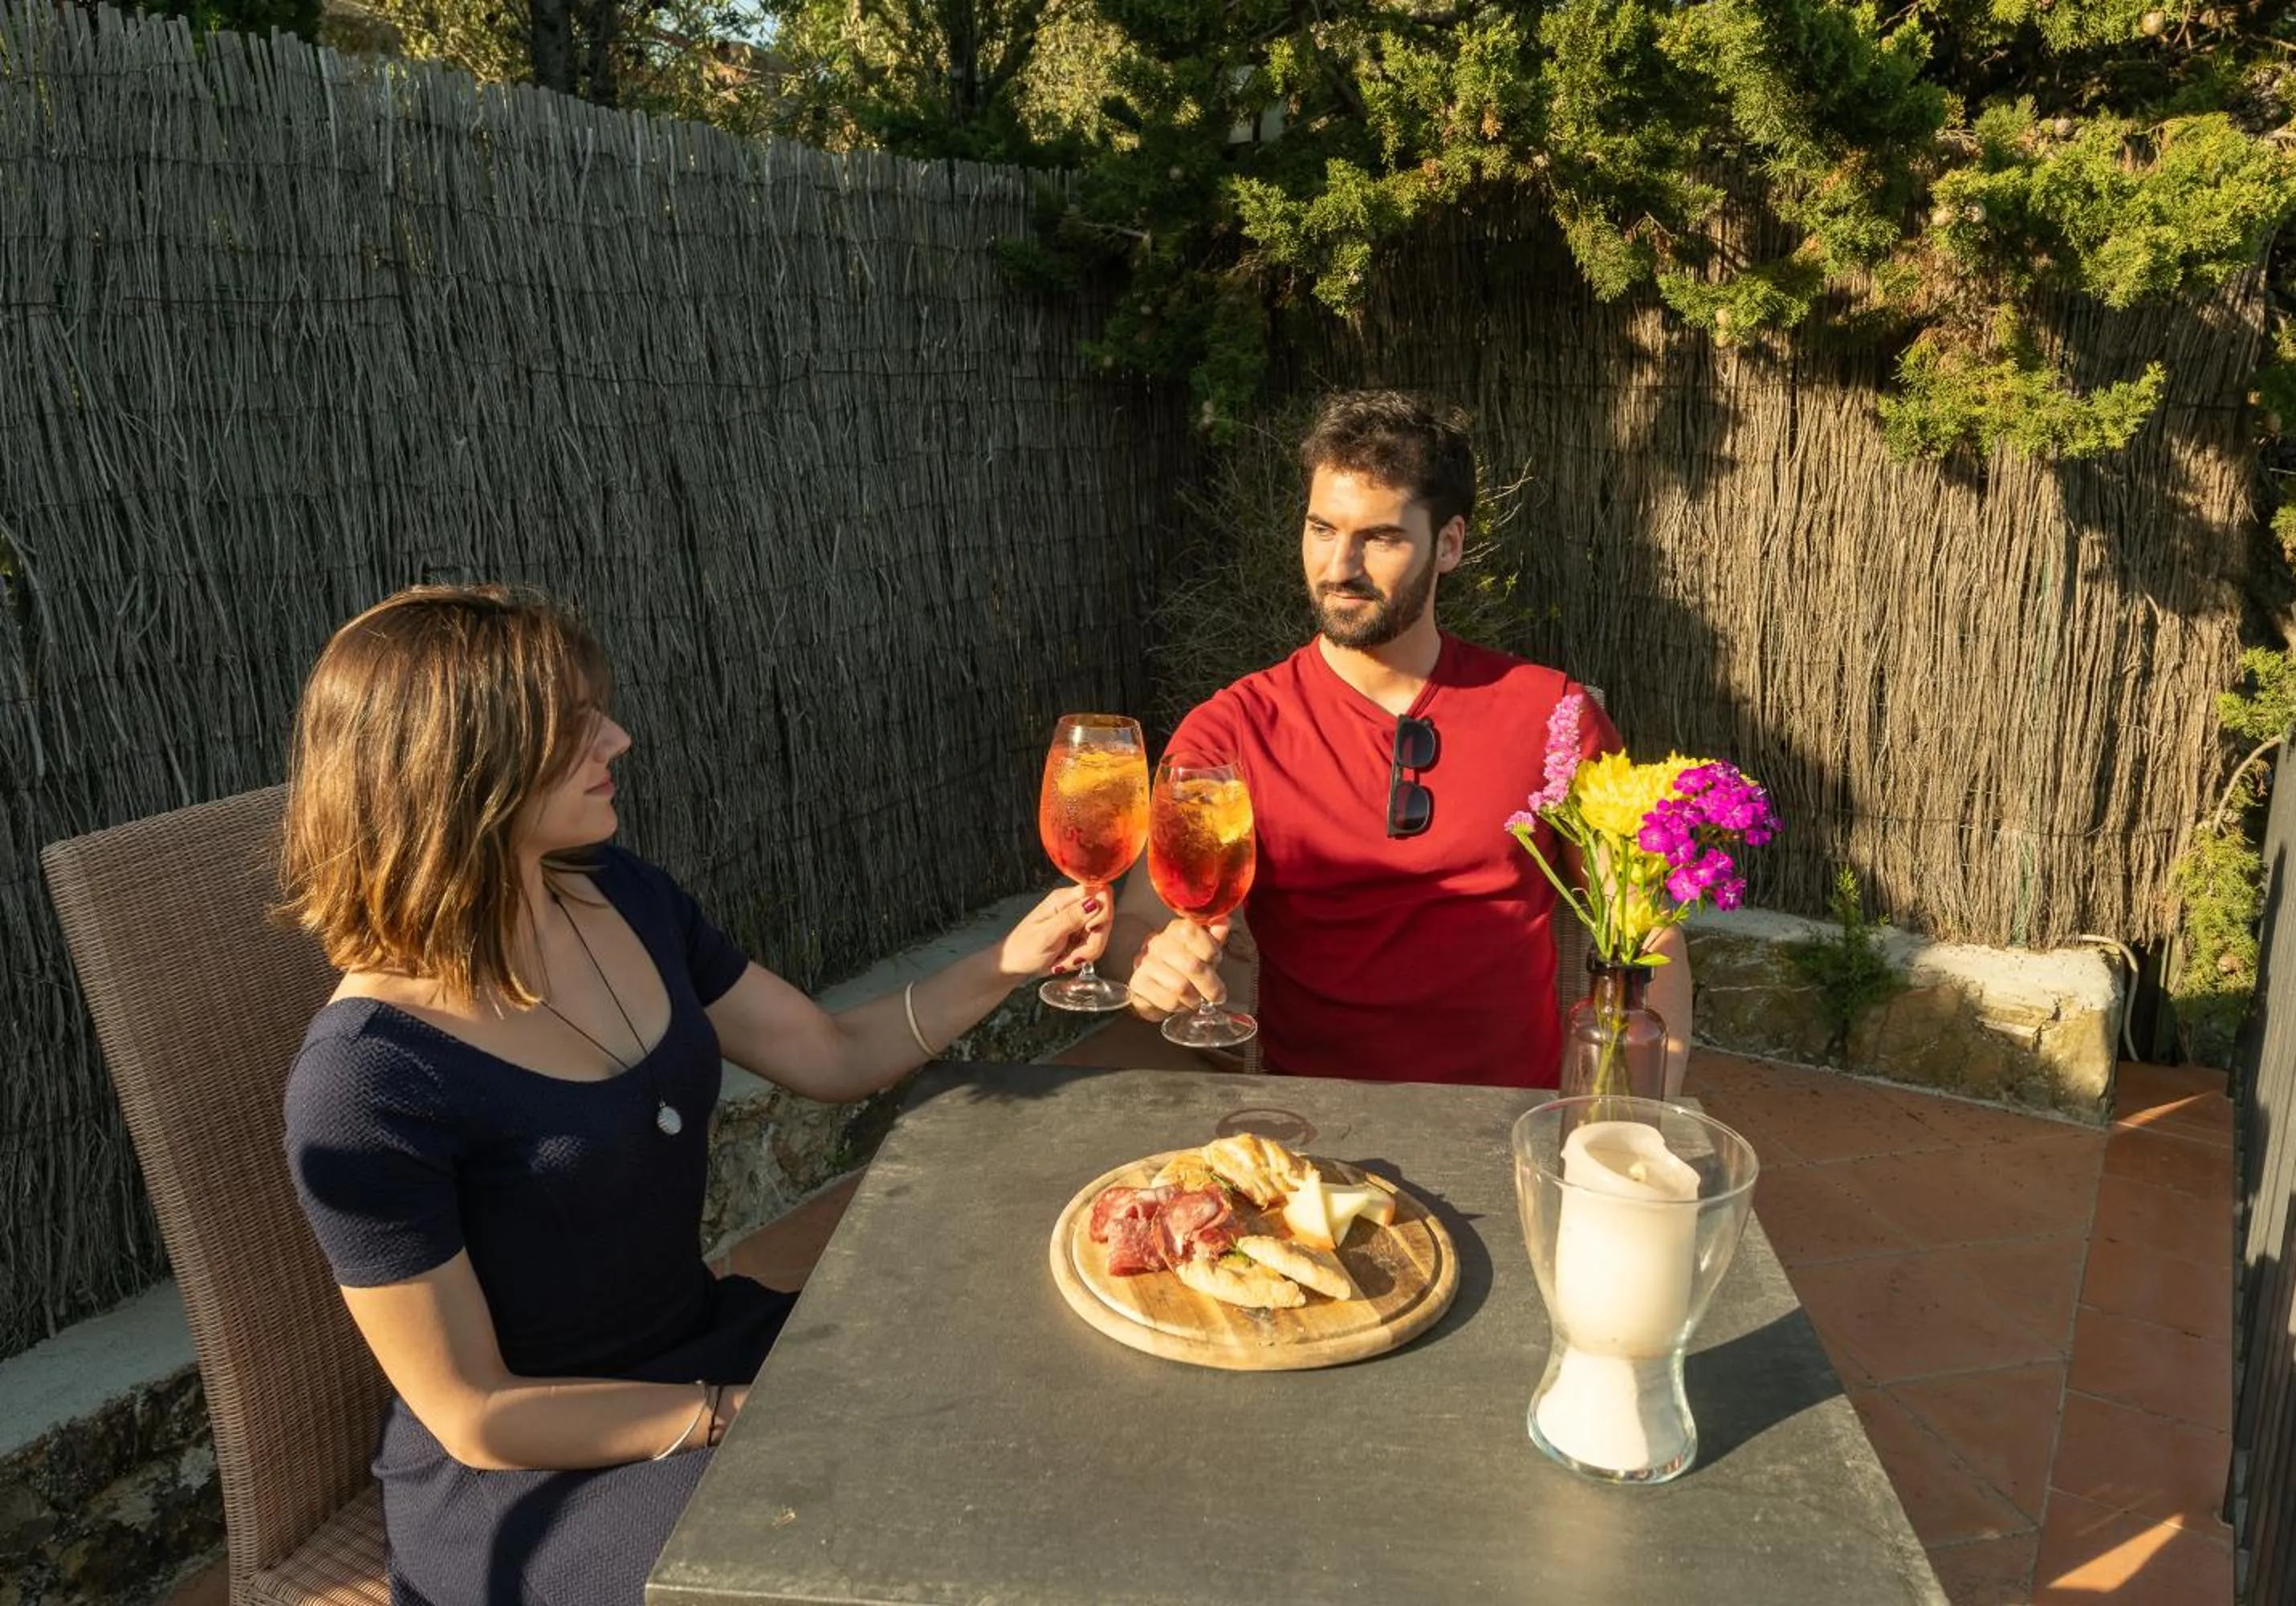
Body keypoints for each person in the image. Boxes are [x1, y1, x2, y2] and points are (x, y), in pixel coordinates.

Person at [279, 585, 1106, 1606]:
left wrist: (1009, 962)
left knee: (996, 1391)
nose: (618, 739)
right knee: (856, 1544)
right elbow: (474, 1411)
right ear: (465, 768)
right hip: (536, 1468)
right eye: (576, 727)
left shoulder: (619, 893)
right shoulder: (369, 1077)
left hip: (701, 1344)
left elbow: (833, 1050)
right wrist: (727, 1412)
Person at [1109, 390, 1694, 1090]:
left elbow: (1647, 934)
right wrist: (1150, 967)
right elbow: (1138, 920)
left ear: (1449, 544)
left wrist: (1633, 1118)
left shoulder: (1552, 716)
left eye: (1379, 538)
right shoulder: (1236, 728)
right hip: (1313, 1132)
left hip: (1504, 1125)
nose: (1338, 567)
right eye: (1322, 529)